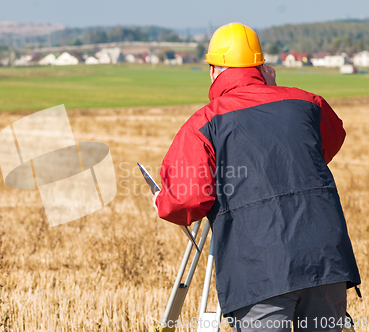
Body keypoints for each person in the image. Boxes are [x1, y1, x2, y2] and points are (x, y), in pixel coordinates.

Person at [153, 23, 360, 332]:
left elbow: (187, 199)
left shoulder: (204, 124)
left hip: (260, 273)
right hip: (326, 262)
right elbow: (322, 147)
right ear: (263, 66)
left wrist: (160, 199)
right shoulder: (309, 103)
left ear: (214, 70)